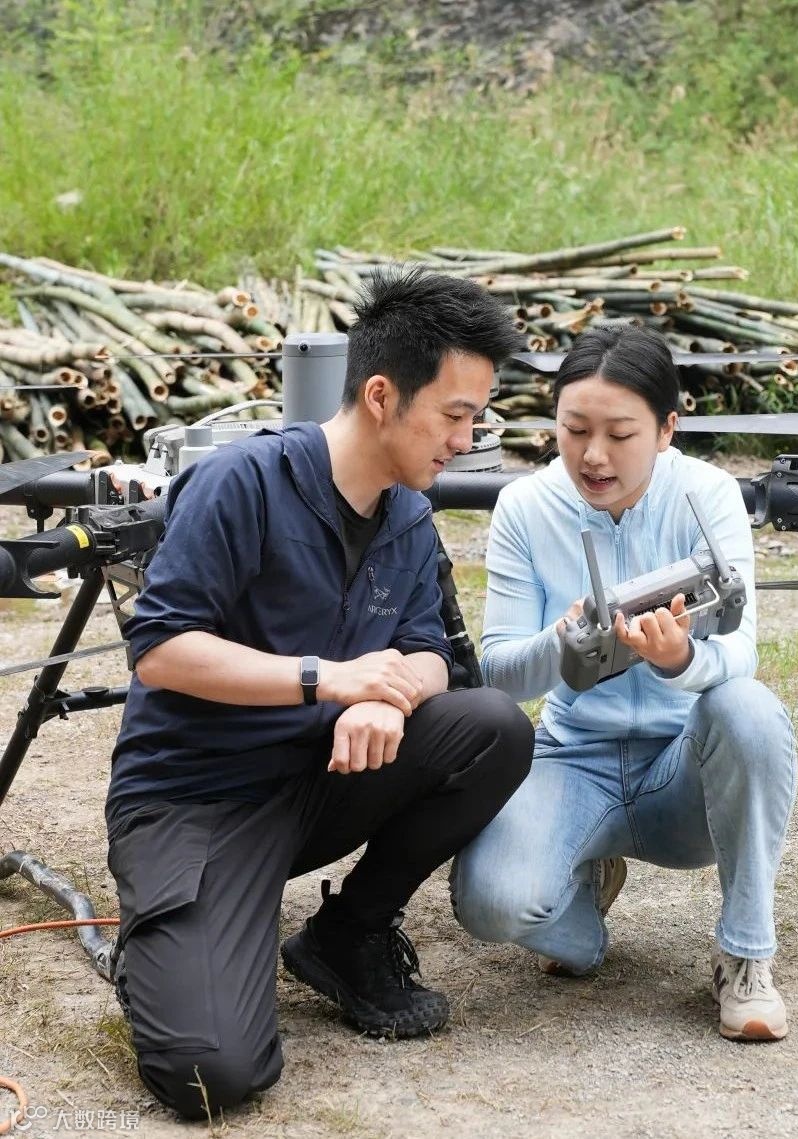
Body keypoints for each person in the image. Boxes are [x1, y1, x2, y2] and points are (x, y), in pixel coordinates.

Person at [105, 268, 534, 1119]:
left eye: (476, 418)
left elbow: (434, 654)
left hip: (317, 779)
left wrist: (387, 695)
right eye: (454, 415)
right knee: (211, 1074)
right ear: (381, 395)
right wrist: (330, 678)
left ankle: (347, 935)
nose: (465, 439)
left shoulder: (406, 512)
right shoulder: (243, 482)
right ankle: (166, 948)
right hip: (196, 800)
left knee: (493, 727)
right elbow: (160, 650)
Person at [452, 324, 797, 1041]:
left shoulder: (708, 496)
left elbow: (740, 650)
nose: (593, 455)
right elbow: (498, 674)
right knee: (491, 903)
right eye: (575, 429)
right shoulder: (526, 507)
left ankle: (746, 955)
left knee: (750, 710)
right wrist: (565, 640)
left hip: (683, 767)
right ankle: (582, 915)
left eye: (620, 433)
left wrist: (680, 660)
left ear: (668, 428)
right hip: (573, 757)